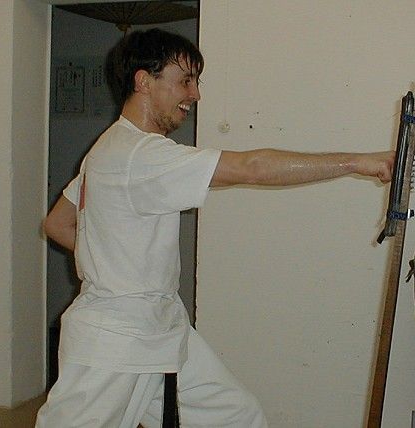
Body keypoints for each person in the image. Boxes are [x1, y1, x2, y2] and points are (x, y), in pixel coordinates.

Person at [36, 28, 394, 428]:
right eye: (185, 81)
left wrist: (110, 260)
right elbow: (253, 168)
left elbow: (58, 223)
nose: (195, 94)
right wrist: (357, 162)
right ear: (144, 81)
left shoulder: (109, 147)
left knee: (238, 417)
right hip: (116, 340)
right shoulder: (140, 154)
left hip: (162, 326)